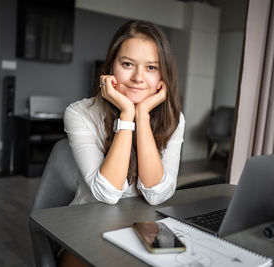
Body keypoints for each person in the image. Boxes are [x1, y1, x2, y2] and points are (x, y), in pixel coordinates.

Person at [60, 20, 185, 266]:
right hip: (88, 228)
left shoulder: (174, 119)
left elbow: (157, 195)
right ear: (111, 67)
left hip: (146, 227)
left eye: (151, 67)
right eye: (128, 64)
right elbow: (106, 193)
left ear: (163, 75)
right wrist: (127, 115)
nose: (138, 77)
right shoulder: (80, 113)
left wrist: (143, 116)